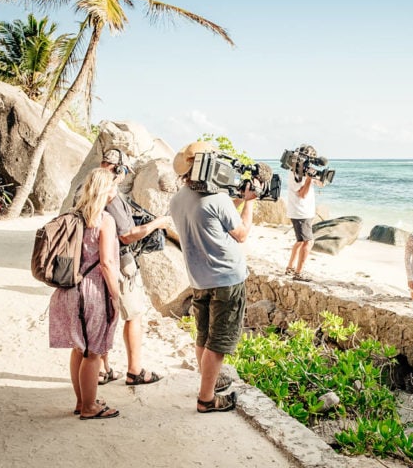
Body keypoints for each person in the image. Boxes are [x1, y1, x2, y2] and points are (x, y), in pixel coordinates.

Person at [169, 141, 258, 413]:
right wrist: (250, 203)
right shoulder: (217, 200)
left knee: (203, 336)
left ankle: (209, 381)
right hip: (226, 279)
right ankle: (206, 399)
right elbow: (241, 233)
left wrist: (238, 199)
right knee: (218, 343)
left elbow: (210, 216)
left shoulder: (178, 198)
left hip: (199, 279)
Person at [49, 168, 122, 419]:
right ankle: (90, 408)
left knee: (79, 349)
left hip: (69, 289)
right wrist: (116, 295)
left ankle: (82, 401)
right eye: (114, 184)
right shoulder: (104, 220)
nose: (117, 188)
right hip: (91, 291)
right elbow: (107, 263)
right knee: (94, 352)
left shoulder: (74, 216)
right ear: (106, 189)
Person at [95, 149, 170, 386]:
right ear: (119, 170)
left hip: (91, 264)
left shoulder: (86, 189)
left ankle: (102, 369)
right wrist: (157, 223)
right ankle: (135, 370)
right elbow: (126, 236)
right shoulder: (110, 196)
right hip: (119, 263)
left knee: (101, 319)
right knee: (134, 315)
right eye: (124, 171)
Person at [285, 144, 321, 282]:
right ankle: (298, 273)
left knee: (300, 241)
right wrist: (309, 179)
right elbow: (302, 194)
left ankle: (290, 268)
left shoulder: (302, 171)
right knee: (309, 242)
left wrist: (318, 177)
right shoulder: (295, 173)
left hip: (303, 212)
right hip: (300, 213)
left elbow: (321, 184)